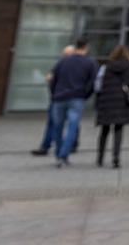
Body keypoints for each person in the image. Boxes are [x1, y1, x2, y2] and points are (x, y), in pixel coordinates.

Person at [49, 38, 97, 168]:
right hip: (77, 98)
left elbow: (53, 79)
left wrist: (54, 94)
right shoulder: (90, 63)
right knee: (72, 127)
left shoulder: (63, 61)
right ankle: (64, 155)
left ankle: (59, 153)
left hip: (59, 97)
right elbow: (92, 82)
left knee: (58, 127)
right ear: (86, 47)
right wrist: (85, 95)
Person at [93, 45, 129, 169]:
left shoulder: (106, 66)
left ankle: (100, 158)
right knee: (118, 130)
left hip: (107, 100)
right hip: (121, 100)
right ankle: (116, 158)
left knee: (104, 130)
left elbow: (98, 84)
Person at [31, 45, 76, 157]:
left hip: (69, 97)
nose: (64, 56)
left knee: (71, 122)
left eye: (67, 54)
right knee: (53, 122)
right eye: (64, 54)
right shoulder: (60, 64)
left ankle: (71, 144)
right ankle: (46, 146)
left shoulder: (75, 66)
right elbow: (49, 77)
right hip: (58, 97)